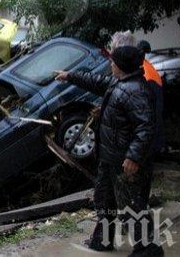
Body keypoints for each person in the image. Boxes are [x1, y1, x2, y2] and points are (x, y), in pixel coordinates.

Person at [55, 46, 164, 256]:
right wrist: (70, 76)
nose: (110, 64)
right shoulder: (118, 82)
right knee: (104, 199)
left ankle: (148, 250)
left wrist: (133, 156)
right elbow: (95, 81)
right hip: (109, 157)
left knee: (131, 208)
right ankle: (102, 240)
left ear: (122, 66)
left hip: (125, 161)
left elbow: (145, 127)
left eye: (113, 62)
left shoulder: (136, 91)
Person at [137, 40, 165, 156]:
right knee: (155, 120)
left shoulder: (143, 65)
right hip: (155, 90)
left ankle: (156, 149)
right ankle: (157, 148)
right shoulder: (145, 64)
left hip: (153, 91)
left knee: (153, 121)